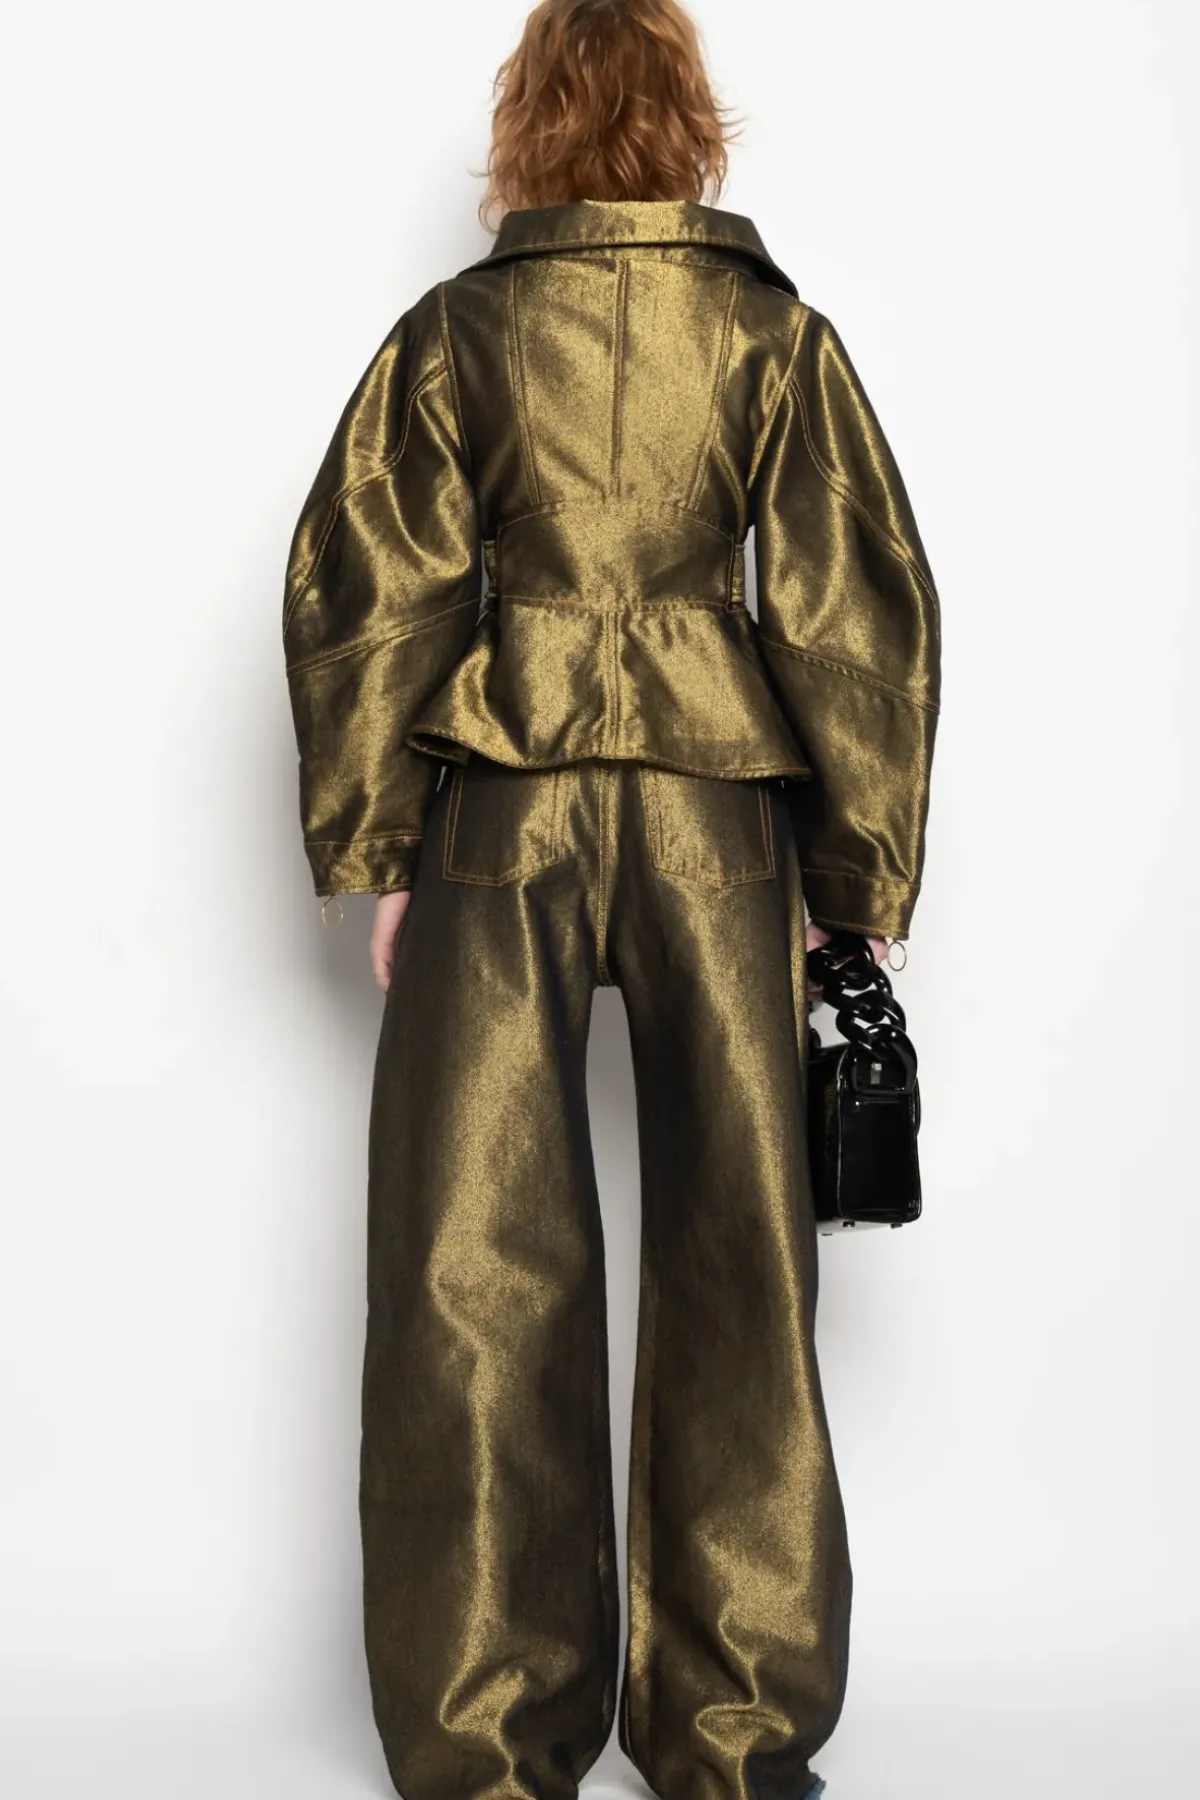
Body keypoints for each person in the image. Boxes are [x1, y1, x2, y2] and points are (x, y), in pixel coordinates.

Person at [281, 2, 941, 1797]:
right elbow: (855, 605)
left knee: (471, 1257)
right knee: (744, 1249)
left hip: (502, 794)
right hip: (722, 803)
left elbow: (369, 588)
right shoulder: (772, 333)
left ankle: (490, 1738)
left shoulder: (460, 332)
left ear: (530, 124)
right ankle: (735, 1734)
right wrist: (852, 870)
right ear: (692, 123)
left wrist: (382, 843)